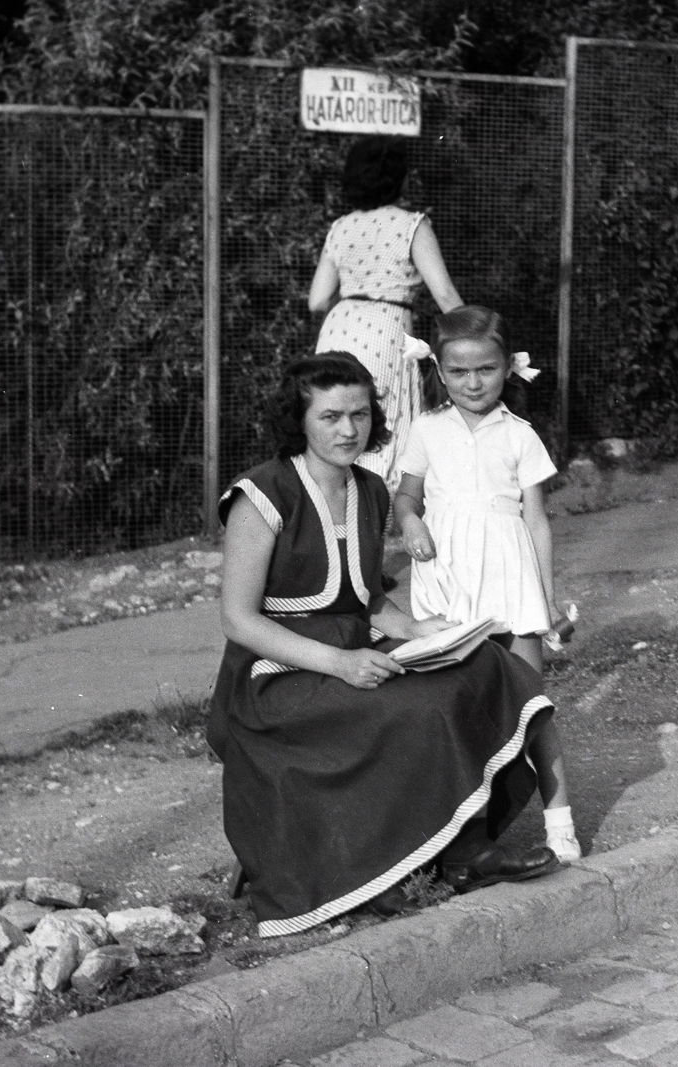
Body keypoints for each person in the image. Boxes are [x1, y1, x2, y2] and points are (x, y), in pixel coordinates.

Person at [209, 353, 560, 937]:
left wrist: (422, 630)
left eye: (360, 414)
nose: (349, 430)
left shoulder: (370, 489)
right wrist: (339, 662)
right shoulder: (262, 494)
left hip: (354, 653)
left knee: (483, 670)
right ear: (299, 421)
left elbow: (362, 599)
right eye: (330, 417)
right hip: (277, 673)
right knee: (415, 708)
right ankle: (383, 864)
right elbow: (238, 620)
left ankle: (464, 848)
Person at [393, 306, 582, 862]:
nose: (473, 383)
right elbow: (406, 497)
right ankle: (454, 834)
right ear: (440, 372)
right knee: (452, 702)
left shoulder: (520, 436)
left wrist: (545, 598)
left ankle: (560, 823)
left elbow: (537, 518)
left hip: (509, 573)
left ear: (507, 368)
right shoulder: (426, 428)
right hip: (447, 575)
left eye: (486, 370)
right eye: (458, 372)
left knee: (531, 702)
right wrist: (410, 523)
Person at [308, 136, 464, 496]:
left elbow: (317, 300)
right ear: (399, 178)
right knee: (380, 426)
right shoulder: (412, 225)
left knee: (337, 422)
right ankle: (371, 526)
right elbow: (445, 296)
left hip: (338, 329)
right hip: (386, 328)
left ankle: (334, 523)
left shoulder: (341, 227)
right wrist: (480, 337)